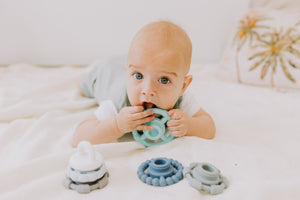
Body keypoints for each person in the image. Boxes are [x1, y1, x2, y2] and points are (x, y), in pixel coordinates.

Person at [72, 21, 215, 147]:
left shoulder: (182, 100)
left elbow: (209, 126)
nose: (147, 90)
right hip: (105, 74)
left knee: (144, 64)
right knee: (84, 88)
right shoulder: (117, 103)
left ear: (183, 86)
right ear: (127, 72)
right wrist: (117, 125)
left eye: (164, 80)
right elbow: (79, 137)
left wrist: (190, 126)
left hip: (127, 66)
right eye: (138, 76)